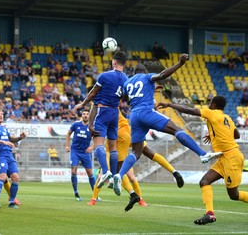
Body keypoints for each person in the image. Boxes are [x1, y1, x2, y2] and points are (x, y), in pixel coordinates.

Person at [112, 54, 222, 200]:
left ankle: (119, 176)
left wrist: (150, 89)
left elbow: (125, 99)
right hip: (147, 111)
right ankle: (202, 154)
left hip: (134, 116)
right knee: (177, 130)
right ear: (144, 72)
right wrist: (180, 64)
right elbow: (163, 74)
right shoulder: (147, 77)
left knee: (136, 152)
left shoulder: (128, 82)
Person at [157, 96, 248, 225]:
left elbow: (188, 110)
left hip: (231, 158)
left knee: (234, 195)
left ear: (215, 105)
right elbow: (237, 135)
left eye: (211, 103)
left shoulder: (211, 112)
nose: (209, 104)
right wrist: (214, 134)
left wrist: (170, 105)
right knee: (204, 181)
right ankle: (210, 214)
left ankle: (210, 214)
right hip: (223, 157)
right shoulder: (227, 117)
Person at [87, 107, 184, 210]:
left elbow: (101, 132)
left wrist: (90, 126)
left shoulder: (100, 106)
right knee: (149, 155)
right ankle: (174, 171)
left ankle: (132, 194)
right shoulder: (116, 103)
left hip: (119, 137)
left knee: (116, 171)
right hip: (130, 130)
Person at [73, 51, 128, 189]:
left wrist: (83, 104)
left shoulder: (104, 76)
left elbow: (93, 93)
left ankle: (106, 172)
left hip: (103, 111)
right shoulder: (126, 79)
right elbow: (126, 98)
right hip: (116, 112)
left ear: (114, 62)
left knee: (98, 143)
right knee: (113, 146)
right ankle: (116, 175)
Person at [0, 108, 26, 209]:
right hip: (0, 155)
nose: (1, 115)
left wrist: (20, 137)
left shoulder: (4, 128)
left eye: (2, 114)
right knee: (3, 177)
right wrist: (3, 142)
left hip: (9, 155)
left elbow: (11, 139)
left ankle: (12, 201)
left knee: (15, 177)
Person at [65, 109, 95, 201]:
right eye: (84, 114)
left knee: (90, 173)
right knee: (73, 171)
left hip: (85, 153)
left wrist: (92, 147)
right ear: (81, 115)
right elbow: (68, 133)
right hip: (75, 151)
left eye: (87, 114)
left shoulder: (92, 126)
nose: (85, 115)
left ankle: (95, 194)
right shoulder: (76, 124)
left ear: (89, 116)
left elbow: (99, 139)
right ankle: (76, 192)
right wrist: (67, 145)